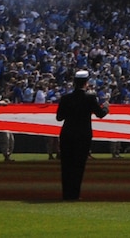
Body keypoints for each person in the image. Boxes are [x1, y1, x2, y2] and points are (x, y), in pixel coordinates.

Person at [54, 69, 109, 201]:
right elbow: (100, 114)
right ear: (86, 83)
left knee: (66, 165)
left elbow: (59, 118)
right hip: (83, 135)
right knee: (78, 166)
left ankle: (66, 194)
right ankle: (75, 194)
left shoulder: (66, 98)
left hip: (67, 134)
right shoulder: (90, 98)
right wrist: (106, 107)